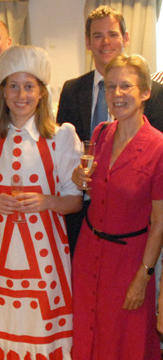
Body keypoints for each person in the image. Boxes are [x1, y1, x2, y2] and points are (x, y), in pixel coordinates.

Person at [0, 45, 82, 359]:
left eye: (29, 86)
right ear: (2, 92)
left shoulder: (61, 138)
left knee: (42, 337)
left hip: (46, 261)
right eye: (14, 86)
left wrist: (47, 201)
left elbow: (74, 201)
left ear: (42, 92)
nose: (22, 95)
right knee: (1, 339)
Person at [74, 54, 163, 360]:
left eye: (126, 86)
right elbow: (92, 187)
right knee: (88, 334)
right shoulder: (100, 134)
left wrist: (144, 276)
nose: (117, 94)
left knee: (127, 341)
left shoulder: (159, 147)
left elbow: (160, 223)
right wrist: (78, 177)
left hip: (129, 261)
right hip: (89, 252)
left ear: (145, 92)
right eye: (111, 86)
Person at [57, 5, 163, 255]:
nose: (106, 42)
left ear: (125, 39)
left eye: (113, 34)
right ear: (87, 42)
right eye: (97, 35)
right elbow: (63, 152)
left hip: (134, 222)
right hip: (82, 217)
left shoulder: (156, 95)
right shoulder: (72, 90)